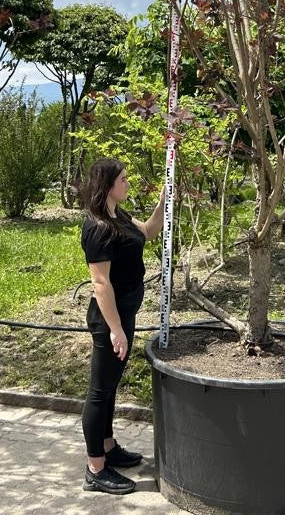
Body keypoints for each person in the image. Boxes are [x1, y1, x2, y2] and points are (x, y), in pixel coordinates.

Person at [79, 156, 164, 495]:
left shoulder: (121, 217)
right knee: (100, 391)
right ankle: (96, 468)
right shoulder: (98, 227)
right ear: (108, 185)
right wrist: (115, 330)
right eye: (124, 179)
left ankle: (109, 446)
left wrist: (164, 201)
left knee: (111, 386)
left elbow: (151, 231)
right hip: (108, 320)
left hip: (124, 314)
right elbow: (101, 284)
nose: (128, 183)